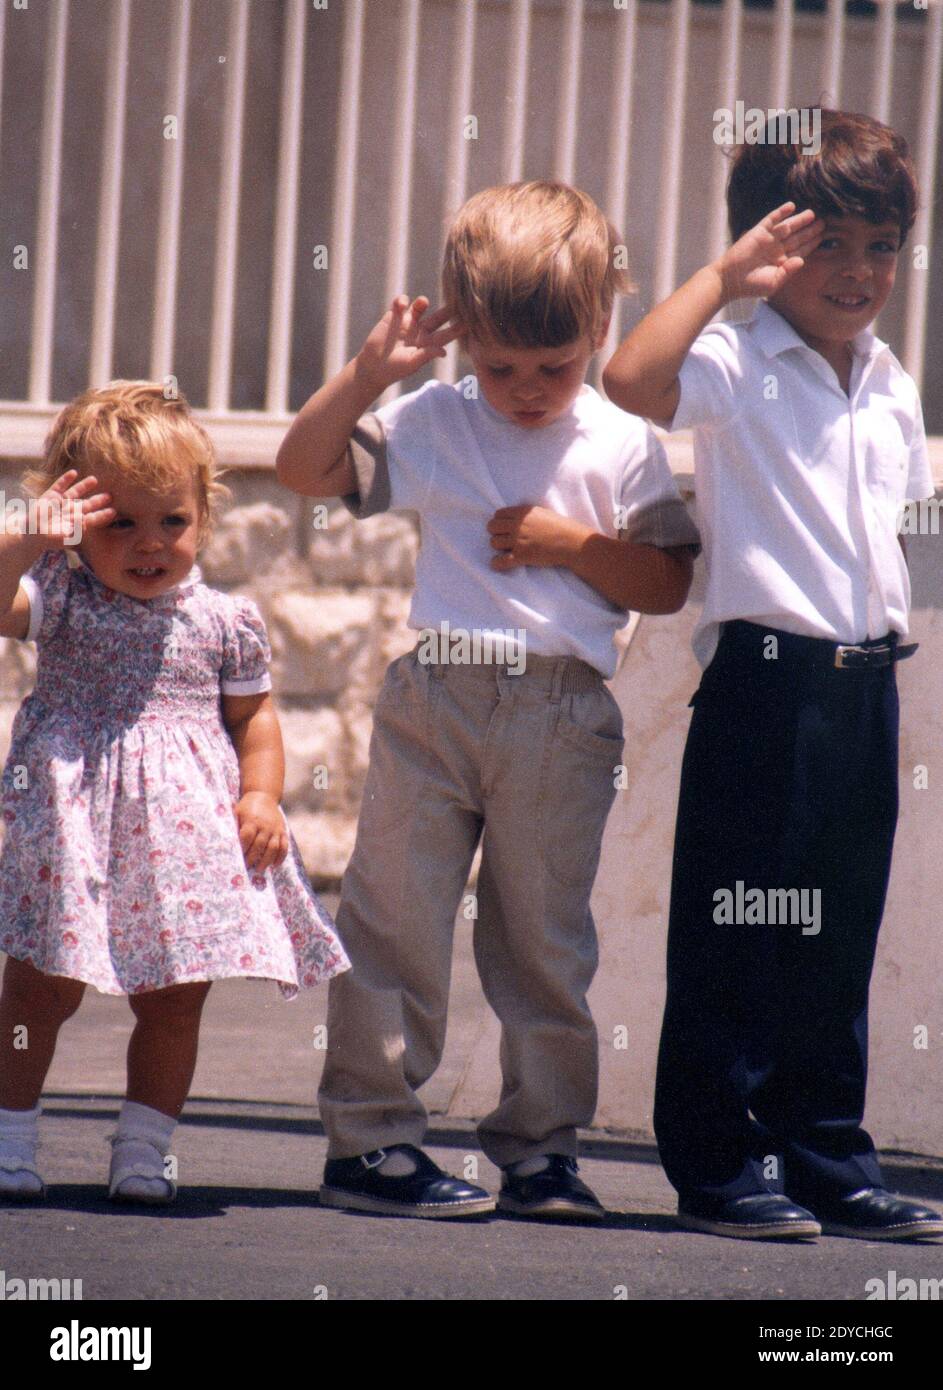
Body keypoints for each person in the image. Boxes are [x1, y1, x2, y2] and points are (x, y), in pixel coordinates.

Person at [277, 180, 700, 1220]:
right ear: (460, 336)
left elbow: (665, 581)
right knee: (392, 919)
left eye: (552, 366)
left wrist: (570, 544)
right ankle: (369, 1145)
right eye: (497, 364)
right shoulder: (435, 417)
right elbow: (300, 467)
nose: (521, 388)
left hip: (561, 713)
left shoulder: (621, 444)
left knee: (545, 939)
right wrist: (372, 372)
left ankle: (541, 1147)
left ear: (600, 324)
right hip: (439, 693)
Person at [603, 110, 943, 1241]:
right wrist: (720, 276)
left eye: (879, 245)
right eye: (826, 244)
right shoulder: (736, 357)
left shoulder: (890, 380)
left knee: (834, 933)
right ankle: (717, 1161)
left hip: (861, 687)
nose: (857, 272)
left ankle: (824, 1154)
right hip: (764, 686)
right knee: (741, 925)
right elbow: (629, 380)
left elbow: (889, 535)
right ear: (769, 247)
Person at [0, 381, 349, 1205]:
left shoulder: (225, 620)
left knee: (175, 999)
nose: (149, 544)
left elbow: (255, 720)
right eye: (119, 523)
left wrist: (262, 799)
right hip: (74, 824)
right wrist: (24, 539)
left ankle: (145, 1146)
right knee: (40, 988)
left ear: (204, 515)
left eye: (172, 521)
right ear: (76, 521)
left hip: (183, 838)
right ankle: (12, 1133)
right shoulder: (65, 598)